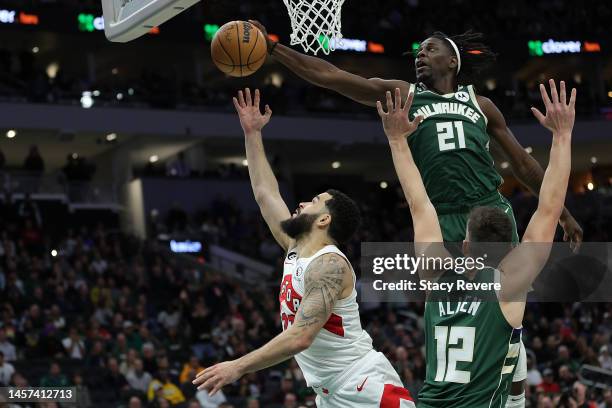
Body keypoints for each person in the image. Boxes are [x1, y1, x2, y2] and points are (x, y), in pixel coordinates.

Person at [252, 22, 584, 405]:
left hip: (488, 211)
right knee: (470, 308)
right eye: (418, 51)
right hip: (440, 214)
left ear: (452, 61)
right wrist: (275, 49)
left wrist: (565, 214)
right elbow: (333, 76)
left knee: (507, 306)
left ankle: (512, 391)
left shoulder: (481, 104)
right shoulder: (405, 94)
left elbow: (523, 167)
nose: (420, 55)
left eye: (429, 49)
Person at [193, 88, 415, 407]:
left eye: (313, 201)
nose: (301, 203)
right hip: (332, 392)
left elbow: (300, 336)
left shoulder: (330, 266)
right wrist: (252, 133)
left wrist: (237, 367)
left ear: (324, 219)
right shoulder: (296, 247)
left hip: (363, 387)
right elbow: (265, 192)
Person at [377, 80, 575, 407]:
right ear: (509, 250)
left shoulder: (435, 273)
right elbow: (550, 208)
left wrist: (396, 139)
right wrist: (563, 135)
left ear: (465, 245)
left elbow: (419, 203)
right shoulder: (509, 286)